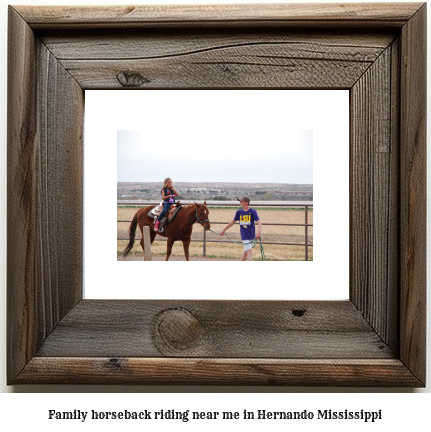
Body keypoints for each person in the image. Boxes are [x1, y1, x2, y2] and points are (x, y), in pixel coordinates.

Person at [220, 196, 261, 261]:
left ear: (246, 202)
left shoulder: (253, 211)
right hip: (244, 235)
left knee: (246, 252)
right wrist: (224, 230)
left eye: (242, 201)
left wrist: (258, 232)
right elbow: (232, 222)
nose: (240, 202)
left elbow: (259, 222)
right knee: (249, 251)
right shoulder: (239, 212)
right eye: (240, 201)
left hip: (251, 235)